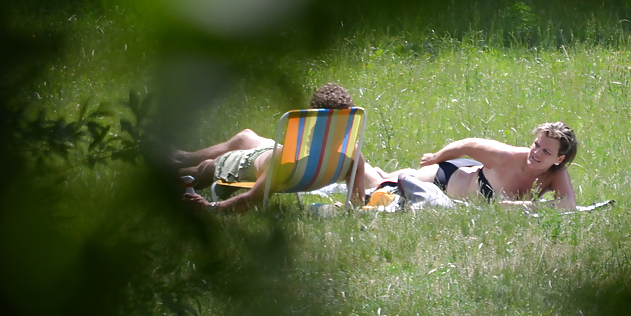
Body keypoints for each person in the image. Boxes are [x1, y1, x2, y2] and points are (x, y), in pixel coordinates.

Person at [178, 83, 379, 212]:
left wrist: (210, 207)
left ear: (312, 121)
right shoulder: (353, 157)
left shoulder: (288, 159)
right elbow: (356, 201)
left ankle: (170, 173)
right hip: (271, 156)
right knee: (245, 137)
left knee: (205, 169)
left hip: (251, 163)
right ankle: (180, 158)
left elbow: (254, 198)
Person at [375, 122, 579, 210]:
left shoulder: (556, 173)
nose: (536, 153)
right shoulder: (506, 156)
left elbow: (568, 203)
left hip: (480, 172)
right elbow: (467, 145)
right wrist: (436, 157)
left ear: (559, 159)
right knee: (383, 184)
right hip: (448, 177)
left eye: (546, 152)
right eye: (536, 145)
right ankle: (369, 170)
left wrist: (520, 207)